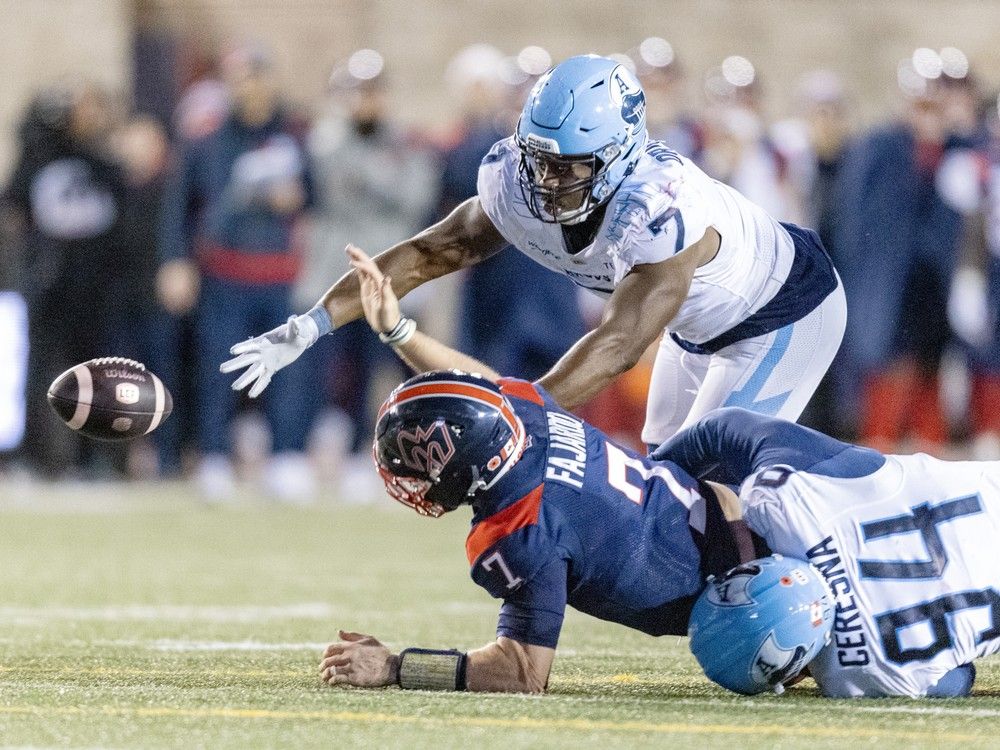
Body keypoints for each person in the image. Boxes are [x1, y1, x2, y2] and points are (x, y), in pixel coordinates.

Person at [221, 54, 845, 450]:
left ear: (620, 155)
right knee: (668, 474)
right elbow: (427, 254)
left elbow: (618, 345)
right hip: (702, 323)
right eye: (539, 159)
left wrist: (512, 418)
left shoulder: (661, 207)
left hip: (783, 309)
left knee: (714, 475)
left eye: (569, 166)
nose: (547, 181)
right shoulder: (510, 180)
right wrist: (311, 325)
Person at [317, 245, 753, 693]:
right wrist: (398, 332)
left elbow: (523, 672)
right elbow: (481, 392)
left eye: (417, 466)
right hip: (744, 514)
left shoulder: (521, 526)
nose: (411, 481)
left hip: (757, 593)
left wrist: (395, 667)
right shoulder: (527, 417)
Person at [653, 406, 999, 698]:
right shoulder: (786, 505)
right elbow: (724, 428)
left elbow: (958, 680)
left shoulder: (856, 672)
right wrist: (655, 474)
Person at [158, 43, 316, 500]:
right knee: (218, 368)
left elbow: (316, 196)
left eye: (255, 76)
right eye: (239, 78)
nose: (248, 87)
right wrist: (175, 261)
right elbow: (180, 208)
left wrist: (297, 198)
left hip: (283, 273)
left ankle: (287, 455)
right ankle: (214, 456)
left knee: (288, 369)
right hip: (225, 272)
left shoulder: (296, 135)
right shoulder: (206, 140)